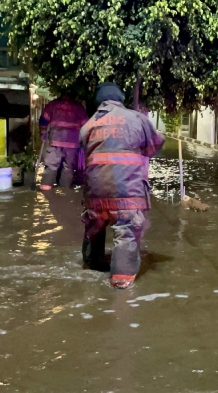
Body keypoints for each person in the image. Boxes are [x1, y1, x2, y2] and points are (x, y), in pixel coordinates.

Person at [78, 82, 165, 289]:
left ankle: (91, 265)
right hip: (127, 193)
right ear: (120, 99)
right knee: (126, 230)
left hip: (95, 194)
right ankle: (120, 285)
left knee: (95, 226)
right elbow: (154, 145)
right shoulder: (136, 119)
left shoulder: (87, 125)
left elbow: (85, 151)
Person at [38, 94, 88, 191]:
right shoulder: (79, 108)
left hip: (55, 142)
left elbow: (43, 120)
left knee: (51, 167)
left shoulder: (53, 105)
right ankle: (64, 192)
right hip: (72, 144)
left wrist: (43, 134)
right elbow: (86, 126)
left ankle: (45, 192)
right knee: (68, 169)